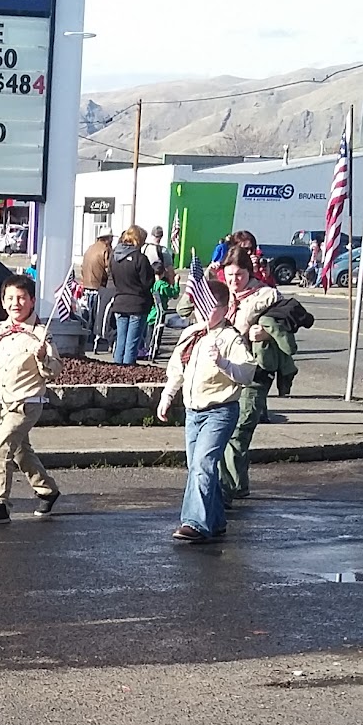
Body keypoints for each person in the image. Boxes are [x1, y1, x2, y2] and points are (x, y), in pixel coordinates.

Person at [156, 274, 258, 543]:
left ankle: (195, 523)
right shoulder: (191, 334)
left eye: (211, 306)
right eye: (201, 304)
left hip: (220, 411)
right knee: (197, 467)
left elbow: (247, 373)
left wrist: (224, 363)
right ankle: (216, 519)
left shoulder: (230, 338)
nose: (203, 311)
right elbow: (177, 368)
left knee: (203, 465)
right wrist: (167, 396)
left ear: (224, 309)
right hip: (193, 412)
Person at [0, 273, 60, 524]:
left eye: (22, 298)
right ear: (3, 302)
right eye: (10, 298)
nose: (16, 303)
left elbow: (54, 371)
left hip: (27, 403)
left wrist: (42, 357)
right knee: (20, 453)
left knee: (1, 450)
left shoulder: (41, 334)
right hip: (4, 402)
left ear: (32, 301)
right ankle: (47, 490)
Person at [215, 245, 280, 503]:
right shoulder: (220, 295)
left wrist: (266, 332)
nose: (234, 281)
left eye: (239, 275)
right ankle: (237, 485)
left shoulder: (266, 296)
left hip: (255, 371)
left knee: (239, 430)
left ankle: (227, 490)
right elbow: (186, 309)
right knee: (226, 430)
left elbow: (290, 321)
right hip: (224, 369)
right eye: (229, 275)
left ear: (249, 273)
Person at [109, 224, 155, 365]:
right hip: (137, 303)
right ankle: (128, 370)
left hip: (120, 301)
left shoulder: (114, 257)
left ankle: (117, 369)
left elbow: (113, 278)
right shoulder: (140, 258)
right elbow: (147, 282)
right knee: (132, 343)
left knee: (121, 341)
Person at [79, 227, 115, 352]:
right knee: (99, 316)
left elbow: (82, 268)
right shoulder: (106, 250)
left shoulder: (90, 249)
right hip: (99, 286)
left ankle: (89, 338)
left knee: (89, 315)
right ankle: (98, 339)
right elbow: (108, 269)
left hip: (87, 286)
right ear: (108, 238)